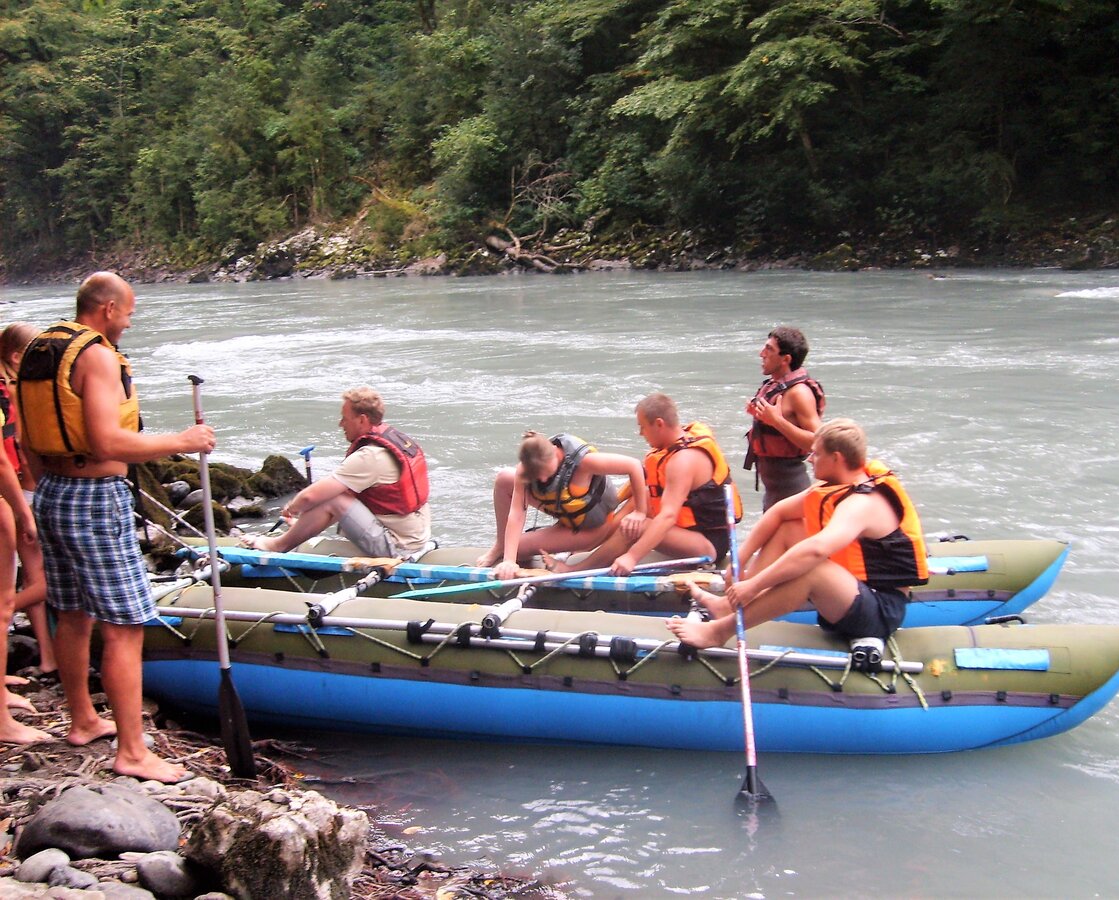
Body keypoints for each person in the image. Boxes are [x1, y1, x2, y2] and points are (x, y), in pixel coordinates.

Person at [17, 271, 215, 779]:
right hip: (92, 496)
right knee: (125, 625)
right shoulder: (98, 355)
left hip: (52, 493)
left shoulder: (41, 348)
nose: (128, 322)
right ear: (107, 309)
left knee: (71, 611)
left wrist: (44, 491)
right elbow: (107, 441)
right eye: (128, 313)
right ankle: (132, 752)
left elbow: (29, 440)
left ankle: (82, 718)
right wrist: (183, 441)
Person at [668, 418, 928, 667]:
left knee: (812, 569)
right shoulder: (840, 484)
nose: (809, 459)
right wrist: (740, 563)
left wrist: (754, 585)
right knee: (789, 528)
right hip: (855, 591)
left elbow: (815, 550)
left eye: (816, 453)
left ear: (836, 458)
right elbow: (779, 512)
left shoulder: (862, 503)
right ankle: (728, 605)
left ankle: (718, 631)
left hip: (879, 611)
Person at [547, 393, 743, 576]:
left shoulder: (682, 461)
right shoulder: (677, 443)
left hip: (708, 544)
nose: (641, 433)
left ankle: (575, 570)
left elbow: (668, 516)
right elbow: (639, 487)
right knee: (638, 502)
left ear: (659, 424)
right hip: (691, 530)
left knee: (636, 526)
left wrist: (632, 557)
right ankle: (582, 547)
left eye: (642, 427)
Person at [242, 387, 432, 558]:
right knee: (335, 495)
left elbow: (311, 497)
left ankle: (277, 545)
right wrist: (301, 527)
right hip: (415, 535)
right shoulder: (395, 441)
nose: (341, 424)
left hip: (397, 546)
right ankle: (293, 536)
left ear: (362, 420)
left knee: (332, 497)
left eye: (345, 418)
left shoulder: (369, 457)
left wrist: (292, 508)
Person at [476, 431, 650, 580]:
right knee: (504, 478)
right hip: (565, 512)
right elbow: (517, 513)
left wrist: (640, 512)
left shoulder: (585, 463)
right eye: (537, 475)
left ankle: (570, 547)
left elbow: (633, 466)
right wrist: (508, 560)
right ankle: (499, 545)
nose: (542, 480)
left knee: (517, 546)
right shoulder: (527, 468)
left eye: (545, 472)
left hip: (589, 528)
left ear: (554, 452)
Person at [1, 321, 57, 676]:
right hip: (22, 490)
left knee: (33, 575)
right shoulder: (12, 392)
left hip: (18, 490)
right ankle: (6, 611)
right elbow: (17, 446)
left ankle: (49, 657)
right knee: (43, 580)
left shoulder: (13, 388)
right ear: (17, 356)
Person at [744, 327, 825, 510]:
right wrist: (762, 417)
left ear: (785, 359)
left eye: (769, 349)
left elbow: (819, 441)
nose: (761, 354)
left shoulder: (799, 393)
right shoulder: (776, 386)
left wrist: (777, 422)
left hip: (791, 489)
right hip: (774, 491)